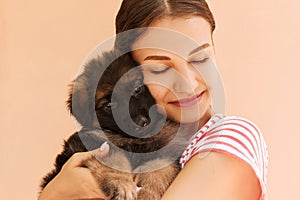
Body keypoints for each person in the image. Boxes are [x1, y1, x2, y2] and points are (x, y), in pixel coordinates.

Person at [38, 0, 268, 199]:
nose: (187, 83)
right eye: (159, 69)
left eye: (200, 58)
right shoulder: (112, 141)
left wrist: (54, 195)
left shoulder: (231, 138)